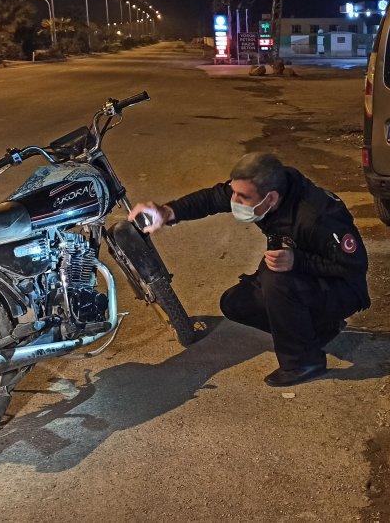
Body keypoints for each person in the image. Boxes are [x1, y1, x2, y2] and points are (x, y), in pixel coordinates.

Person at [129, 153, 370, 387]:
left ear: (271, 198)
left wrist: (298, 262)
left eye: (242, 197)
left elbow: (354, 267)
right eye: (234, 192)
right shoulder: (260, 189)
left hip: (342, 289)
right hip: (302, 277)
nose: (234, 201)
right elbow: (211, 199)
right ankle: (318, 329)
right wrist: (168, 212)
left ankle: (304, 362)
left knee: (277, 280)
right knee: (236, 303)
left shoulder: (316, 215)